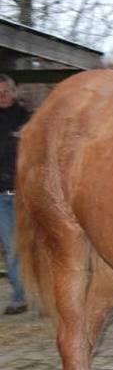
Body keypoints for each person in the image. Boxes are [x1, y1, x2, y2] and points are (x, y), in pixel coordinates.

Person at [0, 74, 30, 315]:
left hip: (26, 194)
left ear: (13, 91)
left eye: (5, 92)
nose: (2, 97)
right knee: (12, 247)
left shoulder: (28, 119)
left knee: (37, 246)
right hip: (2, 195)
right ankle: (20, 296)